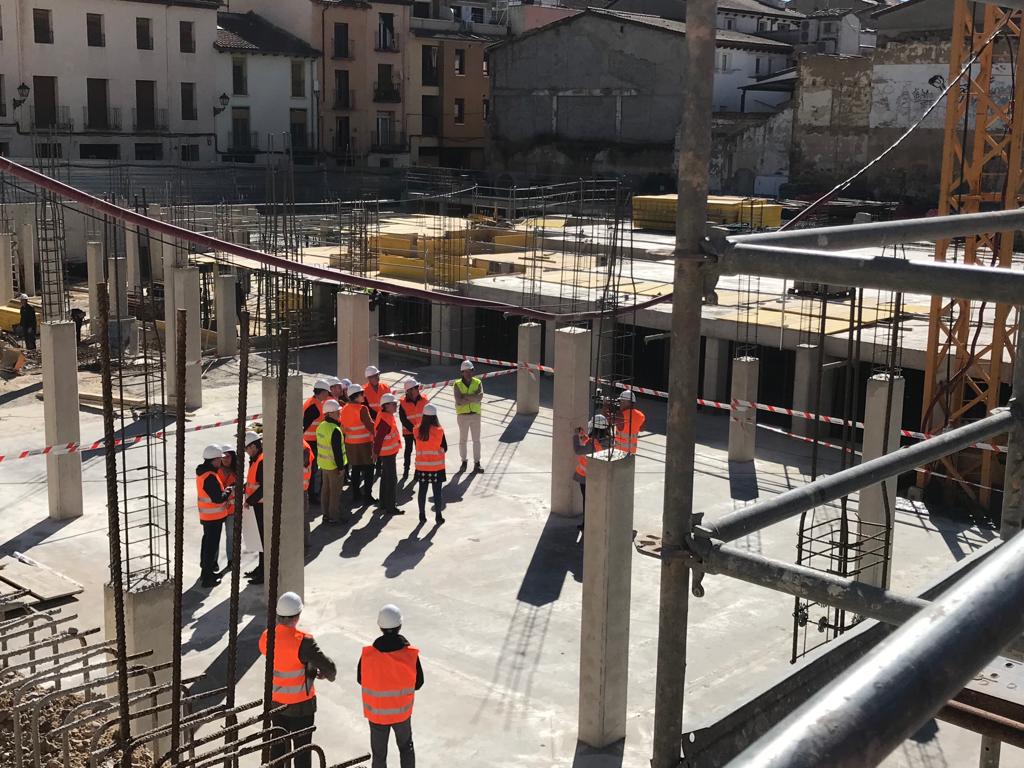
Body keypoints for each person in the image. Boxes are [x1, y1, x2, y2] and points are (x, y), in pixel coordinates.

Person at [259, 592, 337, 768]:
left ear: (278, 615)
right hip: (302, 705)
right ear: (298, 616)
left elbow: (275, 655)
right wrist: (326, 675)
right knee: (302, 751)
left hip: (277, 703)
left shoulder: (266, 636)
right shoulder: (304, 641)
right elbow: (329, 667)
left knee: (278, 746)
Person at [357, 604, 423, 768]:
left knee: (379, 756)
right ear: (400, 626)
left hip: (377, 715)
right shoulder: (410, 654)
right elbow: (419, 682)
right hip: (402, 714)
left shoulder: (368, 654)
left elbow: (361, 679)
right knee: (406, 749)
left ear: (380, 627)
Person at [196, 444, 232, 588]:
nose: (221, 462)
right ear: (214, 460)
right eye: (219, 459)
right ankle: (207, 578)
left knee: (208, 546)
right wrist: (228, 491)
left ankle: (207, 573)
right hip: (213, 519)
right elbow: (218, 498)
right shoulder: (209, 477)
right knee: (211, 548)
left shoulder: (204, 473)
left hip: (208, 518)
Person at [341, 384, 377, 504]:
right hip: (364, 444)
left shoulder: (345, 408)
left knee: (355, 469)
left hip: (350, 444)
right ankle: (368, 495)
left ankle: (356, 495)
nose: (364, 395)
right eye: (362, 393)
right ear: (356, 396)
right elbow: (371, 426)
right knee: (369, 469)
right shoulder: (362, 409)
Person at [414, 404, 447, 525]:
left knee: (422, 491)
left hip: (422, 466)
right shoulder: (439, 431)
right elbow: (445, 447)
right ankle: (438, 515)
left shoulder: (416, 430)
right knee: (437, 492)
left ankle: (422, 515)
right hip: (436, 467)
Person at [573, 414, 610, 519]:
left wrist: (575, 436)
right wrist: (583, 435)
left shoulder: (592, 443)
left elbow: (578, 450)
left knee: (587, 501)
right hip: (600, 477)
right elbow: (591, 445)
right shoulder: (608, 441)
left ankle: (587, 523)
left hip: (586, 477)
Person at [316, 399, 347, 524]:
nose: (339, 413)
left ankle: (325, 514)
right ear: (329, 413)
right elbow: (337, 451)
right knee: (335, 493)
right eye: (336, 411)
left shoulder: (321, 426)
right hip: (334, 466)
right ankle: (334, 517)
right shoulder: (335, 430)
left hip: (324, 465)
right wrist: (340, 467)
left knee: (325, 491)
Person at [372, 394, 403, 515]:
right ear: (385, 406)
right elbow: (379, 438)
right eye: (393, 404)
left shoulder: (386, 415)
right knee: (391, 479)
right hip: (388, 453)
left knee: (385, 477)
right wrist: (375, 452)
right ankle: (390, 507)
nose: (396, 406)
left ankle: (384, 503)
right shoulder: (385, 419)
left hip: (388, 453)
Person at [302, 379, 332, 503]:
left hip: (313, 441)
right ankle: (312, 495)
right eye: (327, 393)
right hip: (310, 442)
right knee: (312, 470)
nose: (328, 395)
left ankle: (313, 494)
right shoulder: (313, 406)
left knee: (313, 469)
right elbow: (304, 425)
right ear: (321, 392)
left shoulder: (315, 402)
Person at [452, 360, 484, 474]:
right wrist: (472, 397)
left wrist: (465, 396)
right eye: (465, 371)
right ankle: (464, 462)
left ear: (472, 371)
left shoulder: (478, 382)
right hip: (462, 416)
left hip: (475, 414)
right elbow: (459, 401)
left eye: (470, 371)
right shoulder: (457, 384)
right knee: (463, 440)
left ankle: (477, 463)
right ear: (462, 372)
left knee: (476, 440)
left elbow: (479, 398)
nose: (468, 373)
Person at [244, 431, 265, 585]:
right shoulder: (255, 460)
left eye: (247, 448)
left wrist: (249, 501)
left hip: (261, 505)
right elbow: (253, 482)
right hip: (256, 505)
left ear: (254, 446)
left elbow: (264, 487)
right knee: (259, 539)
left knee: (263, 540)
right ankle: (261, 568)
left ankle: (264, 572)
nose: (246, 452)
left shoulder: (262, 461)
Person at [217, 443, 241, 569]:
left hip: (231, 510)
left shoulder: (236, 472)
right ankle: (213, 563)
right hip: (217, 511)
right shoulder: (217, 472)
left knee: (231, 537)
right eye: (223, 457)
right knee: (215, 539)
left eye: (228, 457)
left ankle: (231, 560)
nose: (225, 459)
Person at [398, 380, 425, 481]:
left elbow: (428, 415)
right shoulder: (402, 403)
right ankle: (406, 469)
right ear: (409, 391)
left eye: (417, 387)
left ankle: (418, 470)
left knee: (420, 451)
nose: (418, 390)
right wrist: (414, 429)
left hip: (421, 431)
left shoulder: (424, 400)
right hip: (408, 432)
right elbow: (403, 419)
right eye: (415, 388)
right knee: (408, 451)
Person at [614, 390, 646, 455]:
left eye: (622, 402)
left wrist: (605, 407)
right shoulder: (641, 415)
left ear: (629, 402)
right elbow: (642, 429)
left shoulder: (621, 415)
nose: (620, 404)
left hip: (619, 453)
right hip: (632, 452)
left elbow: (607, 421)